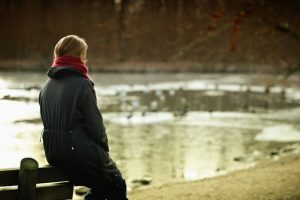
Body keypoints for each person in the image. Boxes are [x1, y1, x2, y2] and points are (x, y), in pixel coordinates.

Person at [39, 35, 128, 200]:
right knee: (116, 182)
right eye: (84, 54)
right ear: (79, 56)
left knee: (101, 187)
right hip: (78, 153)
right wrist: (103, 149)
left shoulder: (46, 86)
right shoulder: (82, 84)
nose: (85, 59)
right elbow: (95, 125)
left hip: (53, 154)